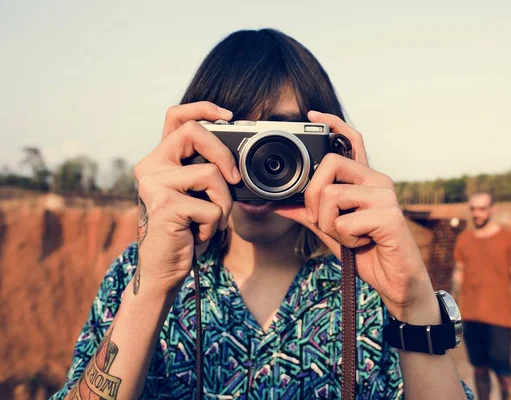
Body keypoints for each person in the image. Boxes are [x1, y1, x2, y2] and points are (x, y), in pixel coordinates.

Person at [51, 29, 473, 399]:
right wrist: (154, 287)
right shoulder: (137, 274)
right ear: (190, 141)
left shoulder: (366, 291)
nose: (258, 162)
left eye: (280, 139)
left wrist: (413, 303)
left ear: (332, 147)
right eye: (234, 136)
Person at [453, 192, 511, 400]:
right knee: (479, 370)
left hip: (499, 319)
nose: (477, 214)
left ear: (492, 209)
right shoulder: (464, 239)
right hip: (470, 317)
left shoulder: (509, 239)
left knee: (504, 375)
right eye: (473, 209)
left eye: (482, 208)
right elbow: (458, 276)